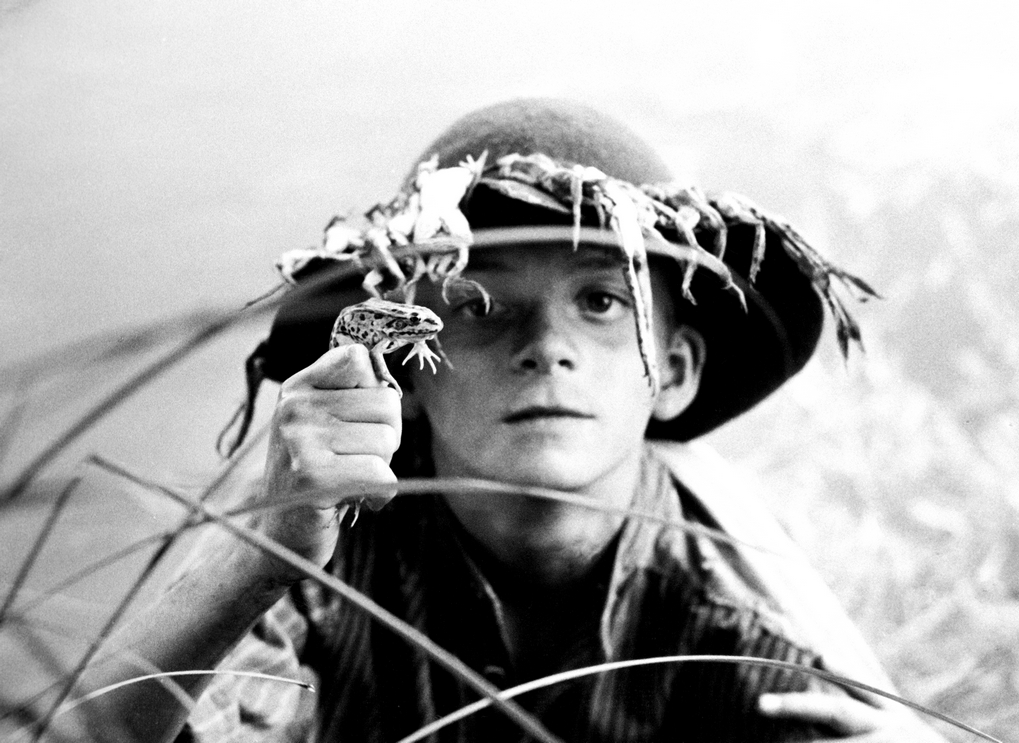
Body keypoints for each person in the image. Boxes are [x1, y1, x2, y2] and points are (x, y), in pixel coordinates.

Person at [61, 99, 946, 742]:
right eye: (480, 305)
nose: (546, 348)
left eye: (600, 301)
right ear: (408, 370)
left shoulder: (742, 639)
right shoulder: (326, 573)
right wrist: (262, 551)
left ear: (672, 372)